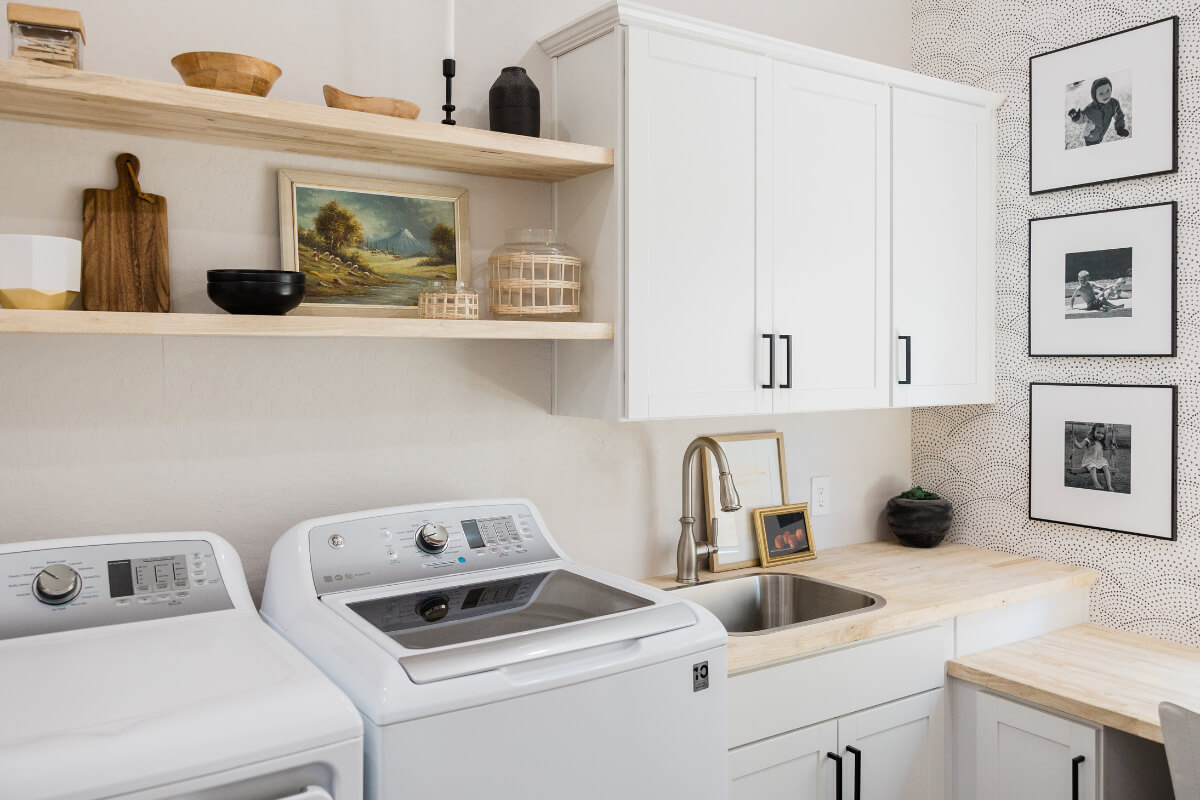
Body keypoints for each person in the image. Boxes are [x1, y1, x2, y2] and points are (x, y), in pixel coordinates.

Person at [1068, 77, 1129, 146]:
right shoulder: (1090, 109)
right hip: (1091, 137)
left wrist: (1120, 128)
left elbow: (1119, 116)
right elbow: (1082, 119)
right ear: (1095, 96)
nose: (1106, 95)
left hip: (1101, 135)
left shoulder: (1114, 104)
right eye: (1101, 93)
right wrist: (1077, 117)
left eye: (1108, 90)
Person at [1072, 423, 1115, 491]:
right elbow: (1080, 446)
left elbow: (1106, 449)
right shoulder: (1088, 440)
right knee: (1093, 467)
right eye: (1098, 432)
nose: (1100, 435)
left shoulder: (1101, 442)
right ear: (1093, 432)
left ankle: (1109, 485)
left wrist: (1112, 447)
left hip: (1099, 460)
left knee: (1106, 467)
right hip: (1090, 460)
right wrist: (1075, 442)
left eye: (1102, 433)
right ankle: (1096, 484)